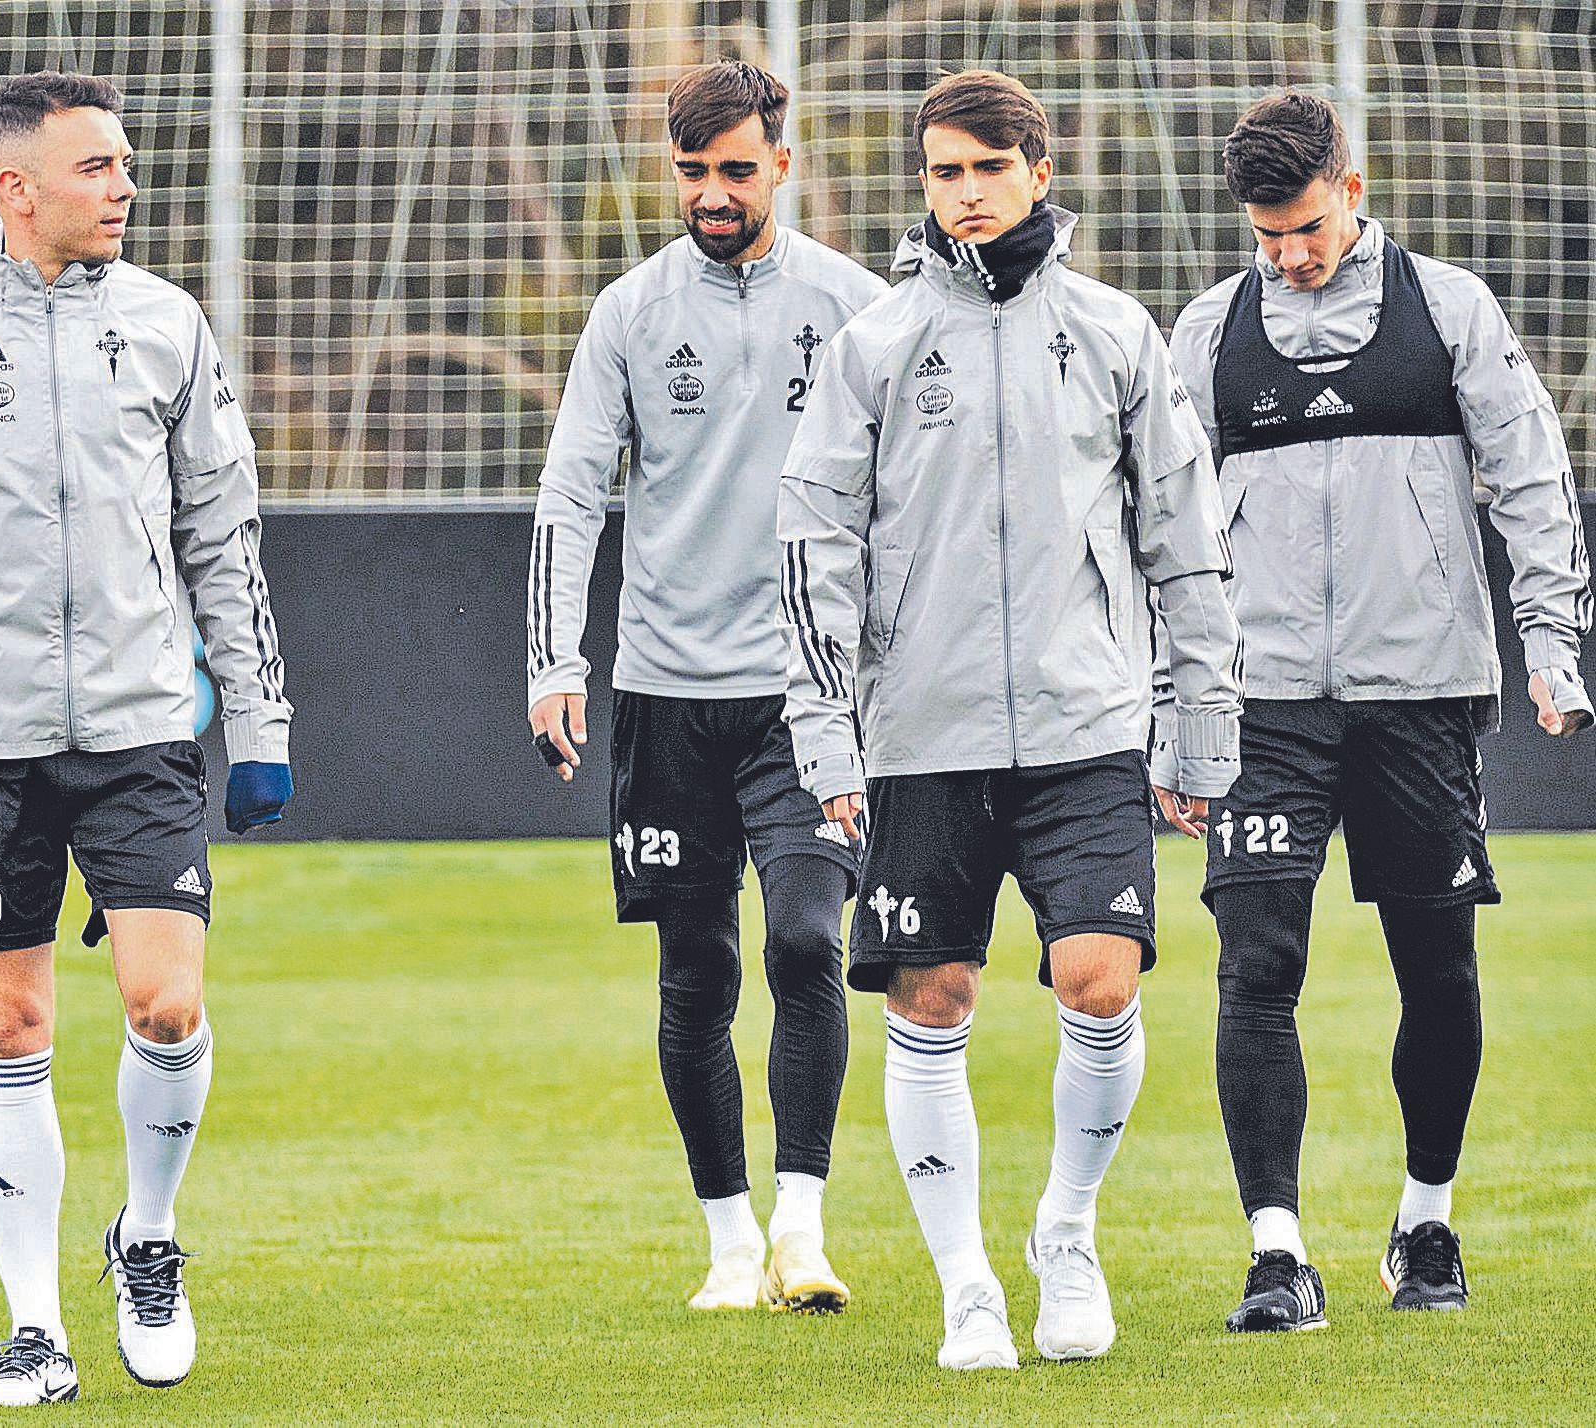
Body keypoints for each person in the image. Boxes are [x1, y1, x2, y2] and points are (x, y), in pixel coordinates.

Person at [0, 71, 294, 1406]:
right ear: (14, 187)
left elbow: (223, 542)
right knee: (12, 1022)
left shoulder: (170, 324)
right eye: (97, 167)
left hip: (144, 731)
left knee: (167, 1001)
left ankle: (147, 1233)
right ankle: (34, 1331)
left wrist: (254, 720)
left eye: (126, 164)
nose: (124, 185)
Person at [778, 69, 1242, 1370]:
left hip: (1086, 725)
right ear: (920, 187)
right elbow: (814, 553)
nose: (965, 194)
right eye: (942, 172)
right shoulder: (874, 343)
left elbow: (1183, 541)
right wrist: (828, 741)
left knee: (1099, 981)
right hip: (918, 741)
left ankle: (1065, 1230)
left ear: (1038, 170)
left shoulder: (1112, 331)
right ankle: (966, 1282)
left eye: (987, 168)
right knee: (929, 1000)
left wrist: (1198, 726)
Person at [1169, 92, 1591, 1333]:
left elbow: (1528, 477)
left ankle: (1424, 1220)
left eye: (1303, 226)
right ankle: (1275, 1252)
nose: (1288, 254)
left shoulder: (1448, 311)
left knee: (1435, 964)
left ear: (1350, 191)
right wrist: (1172, 705)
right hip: (1261, 705)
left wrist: (1550, 644)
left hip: (1422, 695)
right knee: (1255, 967)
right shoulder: (1207, 333)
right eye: (1265, 236)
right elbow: (1160, 533)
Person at [524, 60, 887, 1314]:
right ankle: (729, 1240)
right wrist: (553, 662)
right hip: (669, 695)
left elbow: (903, 493)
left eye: (738, 168)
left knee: (804, 941)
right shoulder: (629, 311)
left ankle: (802, 1225)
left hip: (807, 696)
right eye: (694, 172)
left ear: (782, 161)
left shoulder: (853, 304)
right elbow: (572, 487)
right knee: (695, 974)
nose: (716, 192)